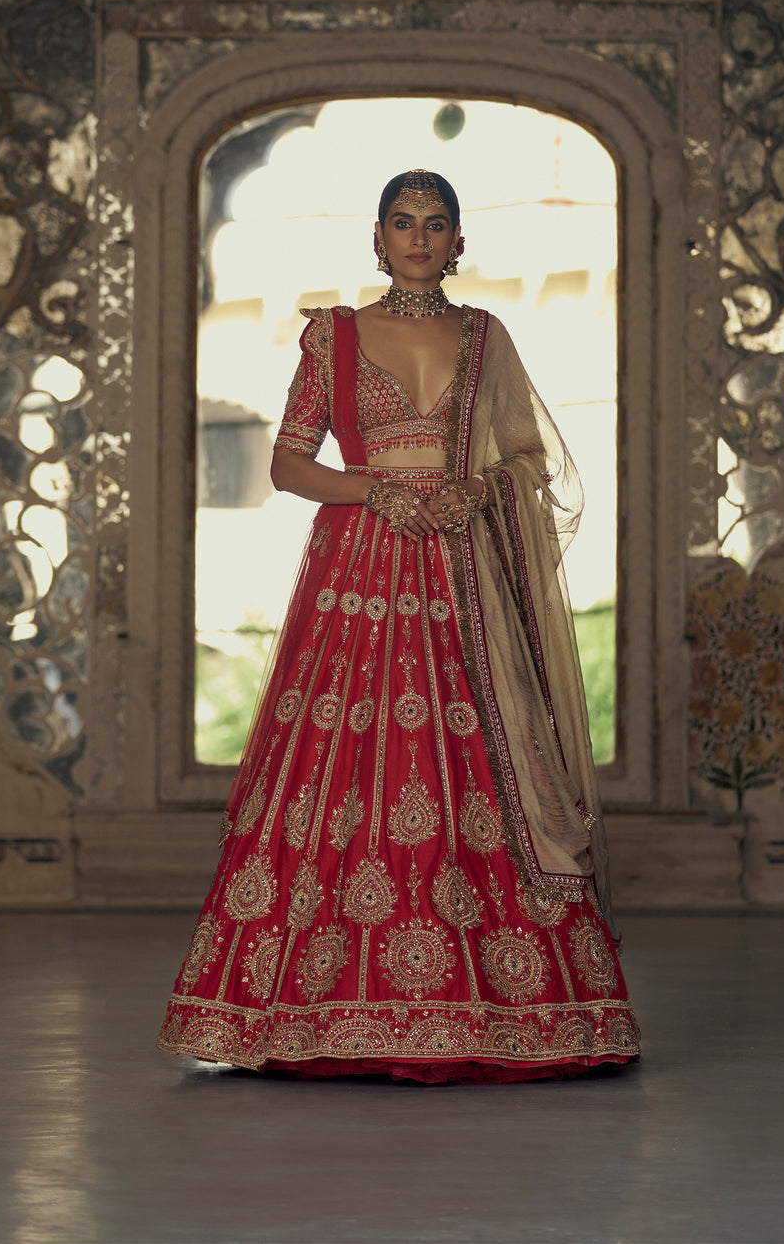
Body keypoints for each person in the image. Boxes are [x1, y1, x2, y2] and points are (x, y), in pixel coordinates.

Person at [157, 168, 639, 1082]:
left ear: (460, 243)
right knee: (342, 768)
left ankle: (509, 1011)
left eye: (437, 223)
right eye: (403, 222)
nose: (420, 237)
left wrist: (476, 490)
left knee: (483, 762)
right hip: (359, 576)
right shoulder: (331, 336)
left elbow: (531, 458)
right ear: (376, 238)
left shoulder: (487, 338)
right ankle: (309, 1010)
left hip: (463, 576)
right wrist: (377, 490)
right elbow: (289, 464)